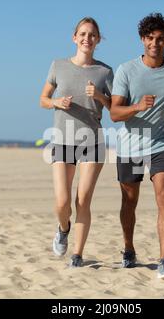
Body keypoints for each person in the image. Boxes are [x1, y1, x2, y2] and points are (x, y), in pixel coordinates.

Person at [110, 13, 164, 279]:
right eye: (149, 38)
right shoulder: (126, 70)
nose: (154, 43)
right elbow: (113, 113)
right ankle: (128, 249)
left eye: (160, 39)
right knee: (129, 201)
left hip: (162, 142)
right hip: (131, 145)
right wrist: (136, 107)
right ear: (142, 39)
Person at [39, 17, 113, 267]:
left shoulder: (105, 72)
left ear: (98, 40)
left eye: (92, 35)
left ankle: (77, 255)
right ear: (74, 37)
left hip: (92, 140)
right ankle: (63, 228)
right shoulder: (58, 65)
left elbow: (116, 109)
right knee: (62, 201)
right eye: (82, 34)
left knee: (83, 200)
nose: (87, 38)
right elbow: (43, 99)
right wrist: (56, 102)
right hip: (62, 139)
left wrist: (101, 96)